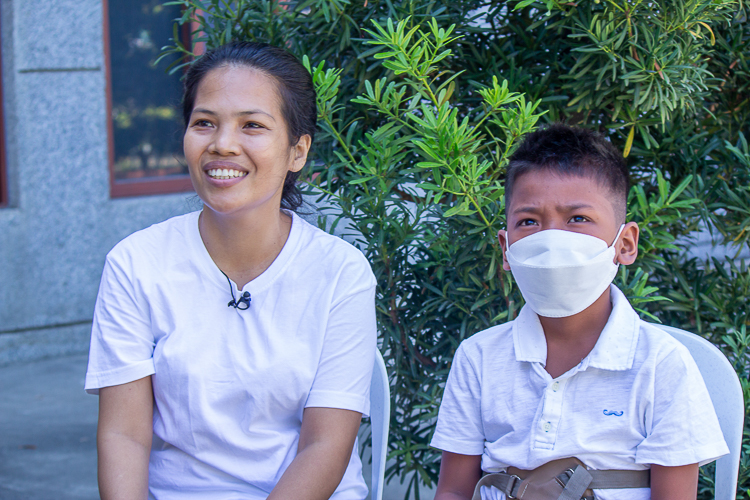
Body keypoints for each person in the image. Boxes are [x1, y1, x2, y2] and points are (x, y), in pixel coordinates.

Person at [85, 41, 377, 500]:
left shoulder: (340, 272)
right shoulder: (136, 263)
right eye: (204, 123)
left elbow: (325, 444)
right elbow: (124, 435)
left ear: (297, 151)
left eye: (252, 126)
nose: (222, 144)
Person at [430, 124, 728, 500]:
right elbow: (454, 492)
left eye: (578, 219)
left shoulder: (660, 364)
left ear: (625, 243)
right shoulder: (479, 357)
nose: (552, 239)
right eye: (529, 222)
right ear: (506, 249)